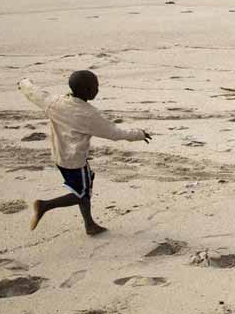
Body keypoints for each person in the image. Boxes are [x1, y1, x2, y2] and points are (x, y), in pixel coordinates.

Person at [18, 71, 151, 235]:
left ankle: (90, 225)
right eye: (95, 86)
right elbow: (114, 133)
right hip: (75, 161)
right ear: (87, 90)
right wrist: (139, 134)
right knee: (81, 194)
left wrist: (24, 83)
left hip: (59, 155)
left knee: (84, 188)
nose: (97, 89)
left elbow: (35, 93)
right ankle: (44, 206)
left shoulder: (55, 102)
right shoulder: (88, 114)